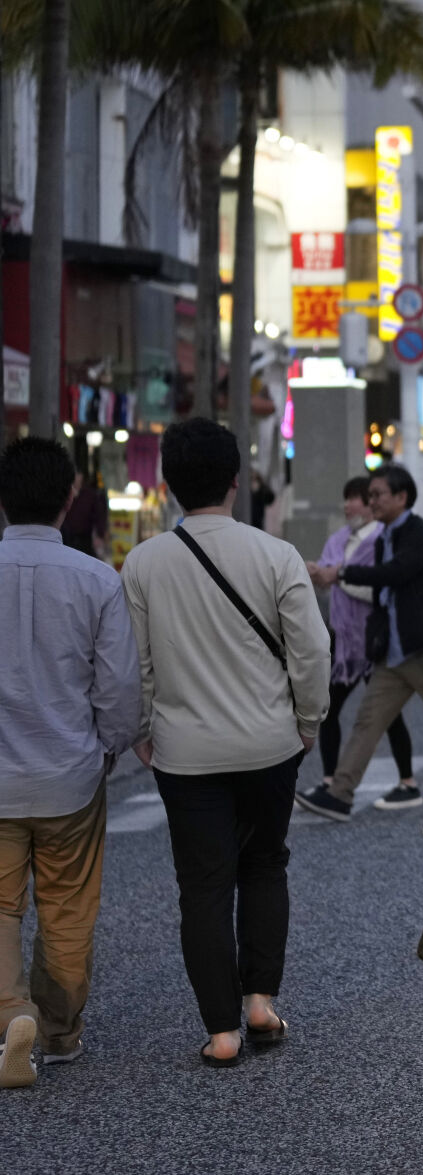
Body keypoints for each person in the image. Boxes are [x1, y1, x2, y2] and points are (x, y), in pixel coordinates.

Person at [121, 418, 330, 1067]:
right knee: (264, 863)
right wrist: (308, 721)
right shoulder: (276, 554)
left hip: (185, 753)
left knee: (203, 886)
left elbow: (138, 665)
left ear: (169, 484)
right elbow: (311, 650)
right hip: (270, 743)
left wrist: (142, 731)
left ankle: (221, 1031)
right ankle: (260, 1001)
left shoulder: (143, 562)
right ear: (236, 481)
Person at [0, 439, 140, 1088]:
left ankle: (10, 1016)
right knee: (67, 906)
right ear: (70, 497)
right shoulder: (97, 579)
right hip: (70, 776)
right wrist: (111, 744)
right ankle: (57, 1032)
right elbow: (118, 689)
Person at [298, 464, 423, 821]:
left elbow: (396, 573)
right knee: (367, 721)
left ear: (402, 497)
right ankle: (340, 794)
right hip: (394, 653)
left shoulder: (419, 533)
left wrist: (340, 573)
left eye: (377, 495)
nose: (371, 501)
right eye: (369, 495)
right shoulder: (384, 536)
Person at [310, 478, 416, 801]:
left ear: (370, 502)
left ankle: (408, 781)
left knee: (388, 714)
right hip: (345, 643)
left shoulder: (380, 539)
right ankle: (330, 780)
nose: (348, 505)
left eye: (354, 498)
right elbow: (328, 575)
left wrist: (338, 576)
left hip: (373, 640)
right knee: (330, 709)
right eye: (346, 499)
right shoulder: (339, 539)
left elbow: (377, 587)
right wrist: (322, 575)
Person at [58, 470, 110, 561]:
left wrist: (100, 534)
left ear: (81, 476)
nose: (75, 478)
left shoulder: (90, 495)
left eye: (77, 475)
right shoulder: (63, 493)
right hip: (65, 540)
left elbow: (98, 518)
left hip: (85, 541)